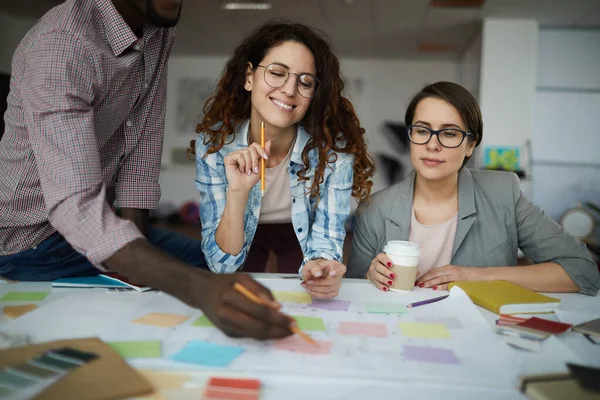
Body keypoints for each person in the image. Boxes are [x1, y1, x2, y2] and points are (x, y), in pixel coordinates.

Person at [0, 0, 295, 340]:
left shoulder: (157, 24)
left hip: (94, 220)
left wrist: (140, 258)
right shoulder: (61, 45)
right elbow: (75, 209)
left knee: (212, 270)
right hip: (29, 239)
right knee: (200, 282)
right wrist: (195, 288)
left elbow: (143, 141)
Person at [346, 81, 600, 296]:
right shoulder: (374, 208)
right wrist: (371, 276)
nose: (432, 145)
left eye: (449, 134)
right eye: (422, 130)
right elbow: (355, 292)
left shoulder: (503, 193)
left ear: (470, 145)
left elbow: (583, 271)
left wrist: (473, 276)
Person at [191, 22, 375, 299]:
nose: (290, 90)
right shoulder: (214, 147)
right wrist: (238, 193)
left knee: (307, 297)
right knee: (238, 293)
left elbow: (325, 241)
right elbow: (221, 266)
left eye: (305, 82)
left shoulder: (335, 154)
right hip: (243, 230)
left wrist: (321, 267)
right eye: (277, 73)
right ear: (249, 77)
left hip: (298, 231)